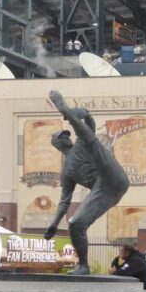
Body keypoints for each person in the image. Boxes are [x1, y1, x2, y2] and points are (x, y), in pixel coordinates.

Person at [44, 91, 130, 275]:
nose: (66, 138)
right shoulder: (66, 172)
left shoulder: (81, 142)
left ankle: (62, 107)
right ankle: (83, 266)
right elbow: (64, 202)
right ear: (57, 145)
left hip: (112, 175)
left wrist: (82, 113)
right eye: (61, 137)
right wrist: (54, 224)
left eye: (66, 135)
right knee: (75, 223)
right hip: (104, 191)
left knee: (90, 140)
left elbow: (88, 124)